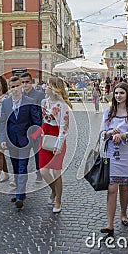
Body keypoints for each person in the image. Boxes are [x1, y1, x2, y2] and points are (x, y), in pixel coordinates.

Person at [99, 82, 128, 238]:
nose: (118, 96)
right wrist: (111, 132)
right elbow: (102, 132)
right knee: (112, 188)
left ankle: (124, 214)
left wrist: (123, 135)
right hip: (112, 153)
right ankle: (109, 225)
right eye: (116, 93)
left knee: (124, 187)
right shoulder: (108, 112)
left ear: (127, 95)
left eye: (121, 93)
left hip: (126, 154)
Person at [0, 76, 42, 210]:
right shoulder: (6, 103)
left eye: (18, 86)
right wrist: (3, 139)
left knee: (23, 167)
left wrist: (33, 137)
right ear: (9, 89)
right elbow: (3, 122)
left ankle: (18, 197)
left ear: (21, 87)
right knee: (16, 167)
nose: (16, 89)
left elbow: (37, 122)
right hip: (11, 140)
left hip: (25, 141)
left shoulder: (30, 101)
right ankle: (20, 192)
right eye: (13, 87)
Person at [38, 77, 72, 213]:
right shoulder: (44, 102)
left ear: (53, 88)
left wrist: (59, 144)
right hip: (45, 138)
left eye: (47, 85)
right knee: (43, 171)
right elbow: (43, 120)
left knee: (56, 172)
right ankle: (54, 190)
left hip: (57, 139)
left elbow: (64, 127)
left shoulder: (62, 106)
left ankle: (58, 200)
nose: (45, 87)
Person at [20, 72, 46, 182]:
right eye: (23, 82)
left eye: (27, 82)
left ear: (32, 82)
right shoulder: (19, 95)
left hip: (35, 129)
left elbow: (42, 113)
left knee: (37, 152)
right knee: (22, 155)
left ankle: (39, 173)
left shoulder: (39, 95)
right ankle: (20, 176)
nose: (25, 84)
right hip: (22, 130)